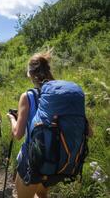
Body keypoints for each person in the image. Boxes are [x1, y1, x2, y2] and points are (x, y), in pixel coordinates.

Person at [7, 51, 93, 198]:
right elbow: (90, 133)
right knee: (42, 194)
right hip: (59, 162)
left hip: (33, 161)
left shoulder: (27, 96)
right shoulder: (63, 95)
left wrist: (11, 119)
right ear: (48, 70)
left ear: (30, 74)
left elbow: (18, 134)